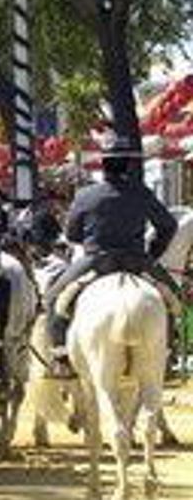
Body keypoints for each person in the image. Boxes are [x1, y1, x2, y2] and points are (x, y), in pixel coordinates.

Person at [43, 136, 181, 377]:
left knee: (53, 298)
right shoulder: (141, 192)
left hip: (96, 261)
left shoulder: (85, 195)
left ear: (103, 164)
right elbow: (168, 226)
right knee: (174, 300)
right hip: (137, 260)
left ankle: (61, 356)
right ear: (128, 164)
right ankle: (168, 351)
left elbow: (72, 234)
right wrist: (153, 253)